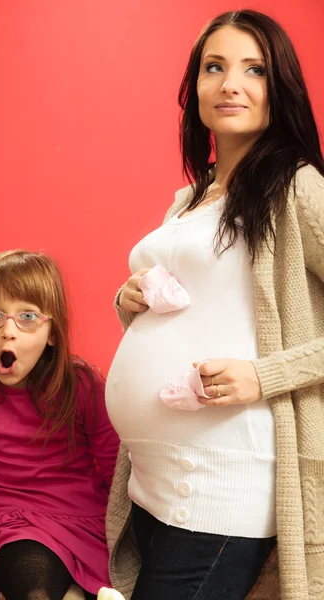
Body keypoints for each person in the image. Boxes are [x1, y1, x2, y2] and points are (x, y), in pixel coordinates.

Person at [104, 9, 324, 600]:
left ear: (280, 88)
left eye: (253, 69)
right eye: (214, 67)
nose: (230, 83)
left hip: (225, 483)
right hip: (155, 483)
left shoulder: (296, 185)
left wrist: (263, 375)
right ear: (194, 86)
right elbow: (204, 303)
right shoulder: (192, 196)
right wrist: (131, 300)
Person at [0, 249, 120, 600]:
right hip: (14, 531)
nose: (8, 332)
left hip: (90, 530)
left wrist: (132, 558)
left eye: (28, 316)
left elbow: (117, 476)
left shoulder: (83, 388)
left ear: (52, 334)